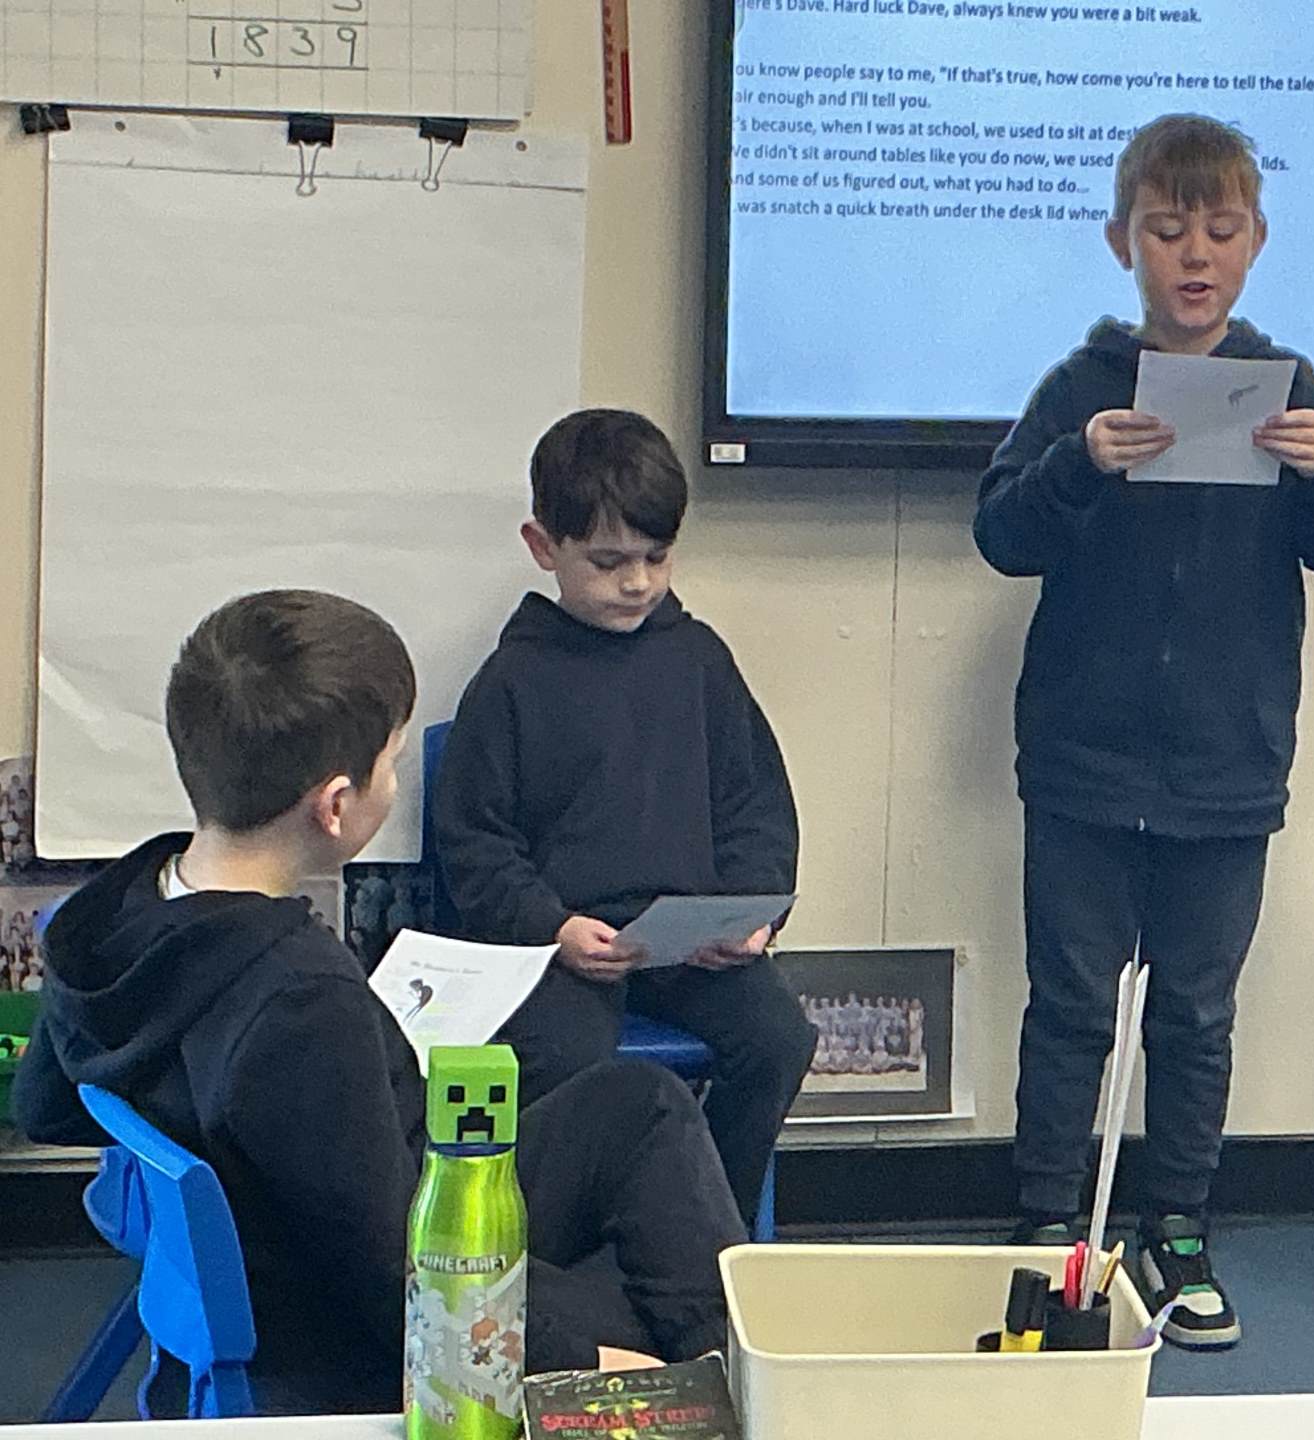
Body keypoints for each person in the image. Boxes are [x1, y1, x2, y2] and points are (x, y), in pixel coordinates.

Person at [12, 590, 747, 1414]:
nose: (394, 782)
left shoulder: (109, 917)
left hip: (302, 1242)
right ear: (334, 806)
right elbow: (394, 1278)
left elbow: (45, 1105)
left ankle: (726, 1365)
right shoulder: (300, 998)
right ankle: (731, 1390)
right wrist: (585, 1360)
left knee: (640, 1104)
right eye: (392, 762)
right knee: (661, 1322)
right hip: (344, 1329)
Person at [972, 112, 1314, 1350]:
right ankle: (1048, 1223)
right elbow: (1001, 534)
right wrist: (1079, 464)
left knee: (1197, 1014)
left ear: (1255, 242)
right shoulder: (1080, 388)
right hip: (1083, 764)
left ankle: (1181, 1230)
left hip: (1226, 768)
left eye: (1218, 230)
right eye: (1166, 231)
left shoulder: (1289, 385)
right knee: (1069, 1007)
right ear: (1123, 243)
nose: (1193, 254)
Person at [432, 409, 816, 1223]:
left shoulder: (700, 660)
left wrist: (750, 917)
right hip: (564, 951)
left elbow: (755, 807)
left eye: (656, 557)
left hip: (690, 945)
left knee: (780, 1038)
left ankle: (711, 1224)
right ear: (544, 547)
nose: (637, 583)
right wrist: (551, 926)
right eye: (608, 562)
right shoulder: (510, 682)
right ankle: (582, 1232)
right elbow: (476, 845)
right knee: (565, 1061)